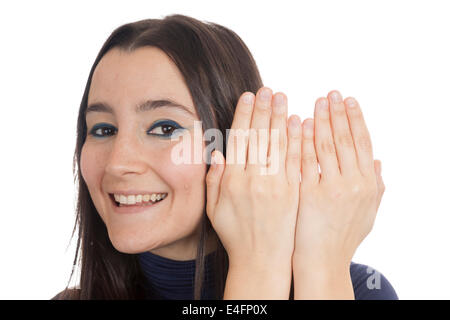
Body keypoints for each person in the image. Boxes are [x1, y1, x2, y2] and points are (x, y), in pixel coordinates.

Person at [52, 14, 398, 300]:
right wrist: (256, 268)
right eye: (103, 130)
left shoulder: (354, 290)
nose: (118, 163)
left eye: (164, 128)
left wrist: (321, 267)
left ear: (237, 143)